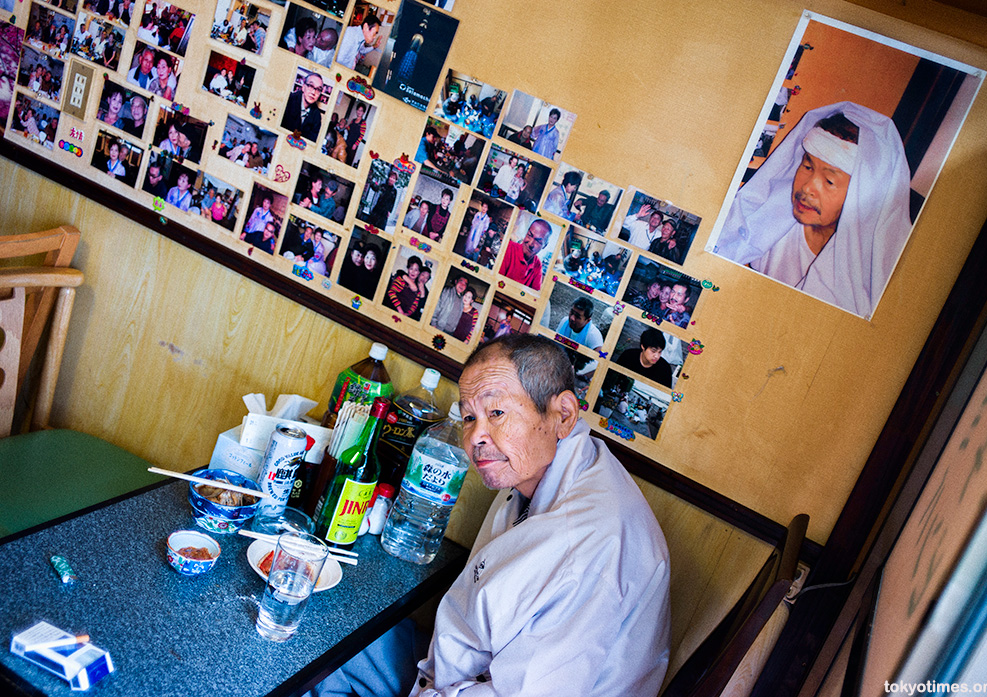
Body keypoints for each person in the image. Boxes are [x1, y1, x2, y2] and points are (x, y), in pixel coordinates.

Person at [315, 334, 671, 696]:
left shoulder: (586, 546)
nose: (475, 437)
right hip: (453, 663)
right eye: (469, 416)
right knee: (326, 636)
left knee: (316, 667)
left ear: (563, 414)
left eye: (497, 412)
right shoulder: (544, 467)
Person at [713, 101, 912, 317]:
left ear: (862, 195)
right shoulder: (769, 229)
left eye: (829, 181)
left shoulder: (871, 275)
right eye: (807, 166)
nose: (807, 188)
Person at [498, 218, 551, 291]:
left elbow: (534, 294)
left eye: (538, 241)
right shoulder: (509, 247)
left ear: (544, 246)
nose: (530, 243)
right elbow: (497, 282)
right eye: (529, 235)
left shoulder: (537, 264)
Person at [281, 71, 324, 142]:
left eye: (318, 89)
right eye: (311, 86)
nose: (313, 92)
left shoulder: (317, 116)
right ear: (303, 87)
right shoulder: (288, 100)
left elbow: (312, 141)